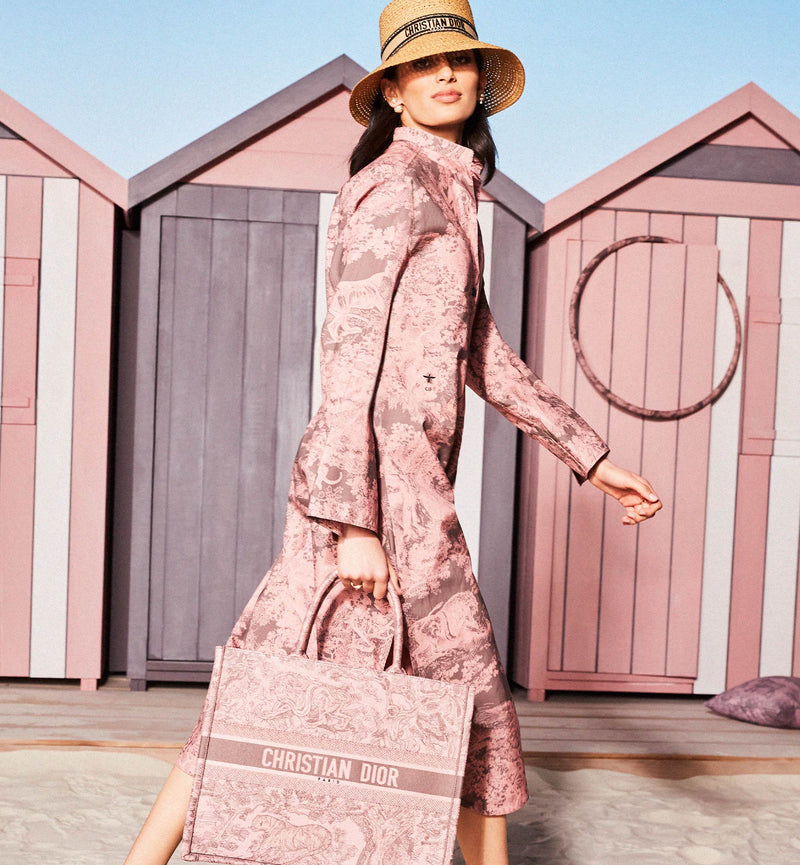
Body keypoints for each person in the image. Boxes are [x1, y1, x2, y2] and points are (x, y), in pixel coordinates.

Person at [124, 1, 661, 863]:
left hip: (417, 496)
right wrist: (353, 523)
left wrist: (593, 458)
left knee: (459, 701)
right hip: (367, 506)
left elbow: (483, 354)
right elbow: (345, 361)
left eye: (460, 63)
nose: (447, 75)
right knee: (275, 689)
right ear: (397, 94)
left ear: (478, 84)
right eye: (423, 66)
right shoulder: (391, 186)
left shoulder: (453, 190)